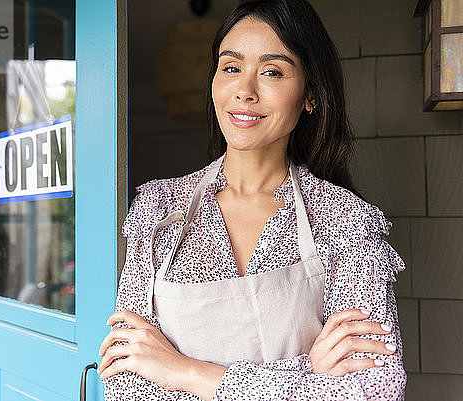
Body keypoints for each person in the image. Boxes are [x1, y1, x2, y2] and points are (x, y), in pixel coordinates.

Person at [97, 0, 407, 400]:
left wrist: (186, 371)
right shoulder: (158, 209)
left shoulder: (345, 220)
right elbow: (125, 377)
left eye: (272, 71)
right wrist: (309, 372)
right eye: (230, 68)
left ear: (309, 95)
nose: (244, 91)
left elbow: (375, 388)